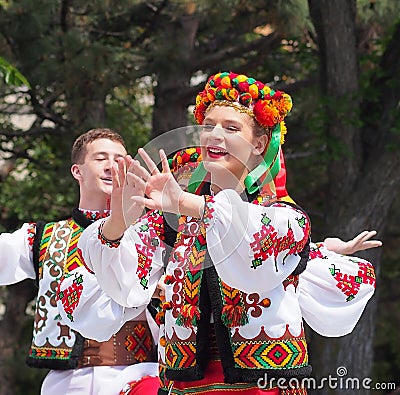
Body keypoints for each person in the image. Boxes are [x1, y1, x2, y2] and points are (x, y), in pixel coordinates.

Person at [59, 72, 378, 395]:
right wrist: (118, 220)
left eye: (230, 128)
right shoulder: (172, 222)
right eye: (208, 125)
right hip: (186, 385)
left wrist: (185, 202)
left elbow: (258, 238)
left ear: (259, 143)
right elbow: (119, 279)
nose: (214, 135)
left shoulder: (279, 216)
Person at [0, 128, 160, 395]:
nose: (111, 166)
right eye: (100, 158)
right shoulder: (43, 237)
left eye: (120, 159)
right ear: (77, 171)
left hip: (136, 377)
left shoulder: (149, 236)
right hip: (67, 384)